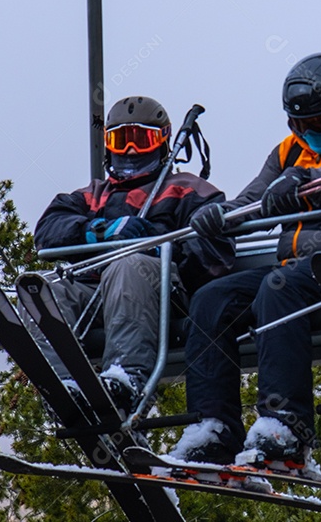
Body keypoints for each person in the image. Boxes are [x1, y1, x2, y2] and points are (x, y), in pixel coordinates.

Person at [177, 52, 321, 476]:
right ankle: (213, 429)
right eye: (299, 125)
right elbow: (252, 202)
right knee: (212, 300)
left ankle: (288, 426)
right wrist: (218, 218)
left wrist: (319, 189)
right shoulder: (290, 152)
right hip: (300, 268)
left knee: (280, 287)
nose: (308, 133)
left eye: (317, 124)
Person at [32, 96, 234, 415]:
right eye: (121, 140)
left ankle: (125, 379)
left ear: (161, 142)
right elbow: (47, 231)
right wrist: (102, 230)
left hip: (162, 292)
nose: (129, 151)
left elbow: (215, 253)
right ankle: (62, 384)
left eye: (140, 140)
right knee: (48, 288)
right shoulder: (93, 195)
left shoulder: (188, 190)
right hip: (96, 292)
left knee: (129, 266)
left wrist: (163, 248)